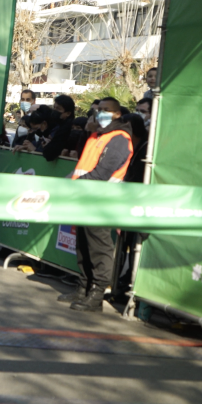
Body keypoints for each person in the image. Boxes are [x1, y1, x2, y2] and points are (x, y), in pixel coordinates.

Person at [57, 97, 133, 312]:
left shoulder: (119, 138)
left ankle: (97, 294)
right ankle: (83, 288)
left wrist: (75, 186)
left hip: (101, 201)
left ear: (117, 114)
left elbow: (101, 173)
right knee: (83, 247)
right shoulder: (98, 134)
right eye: (98, 110)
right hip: (86, 198)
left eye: (106, 110)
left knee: (99, 249)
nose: (100, 113)